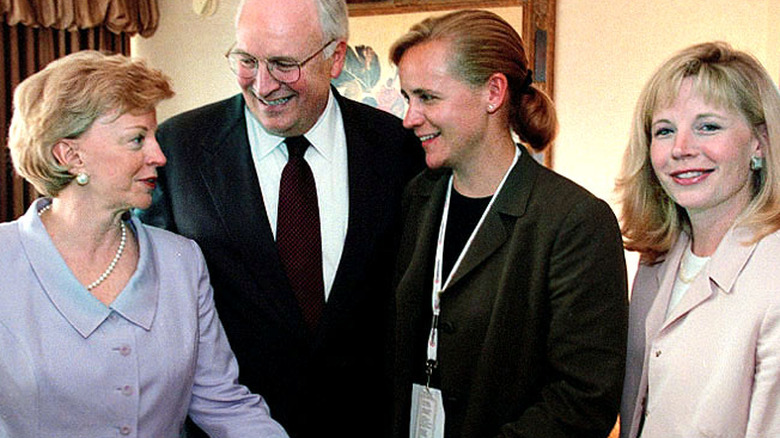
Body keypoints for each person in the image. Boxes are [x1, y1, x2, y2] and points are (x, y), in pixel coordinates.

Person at [137, 0, 423, 436]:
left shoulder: (398, 151)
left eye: (284, 64)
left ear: (336, 58)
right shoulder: (180, 149)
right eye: (247, 61)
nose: (264, 85)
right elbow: (157, 311)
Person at [0, 51, 288, 437]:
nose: (159, 155)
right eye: (137, 139)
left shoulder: (181, 260)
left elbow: (223, 404)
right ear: (70, 155)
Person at [390, 10, 628, 438]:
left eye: (427, 97)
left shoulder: (574, 222)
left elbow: (584, 400)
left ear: (493, 93)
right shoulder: (418, 199)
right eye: (408, 98)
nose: (410, 117)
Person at [617, 41, 780, 437]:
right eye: (665, 130)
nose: (682, 149)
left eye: (708, 126)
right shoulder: (657, 262)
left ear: (758, 142)